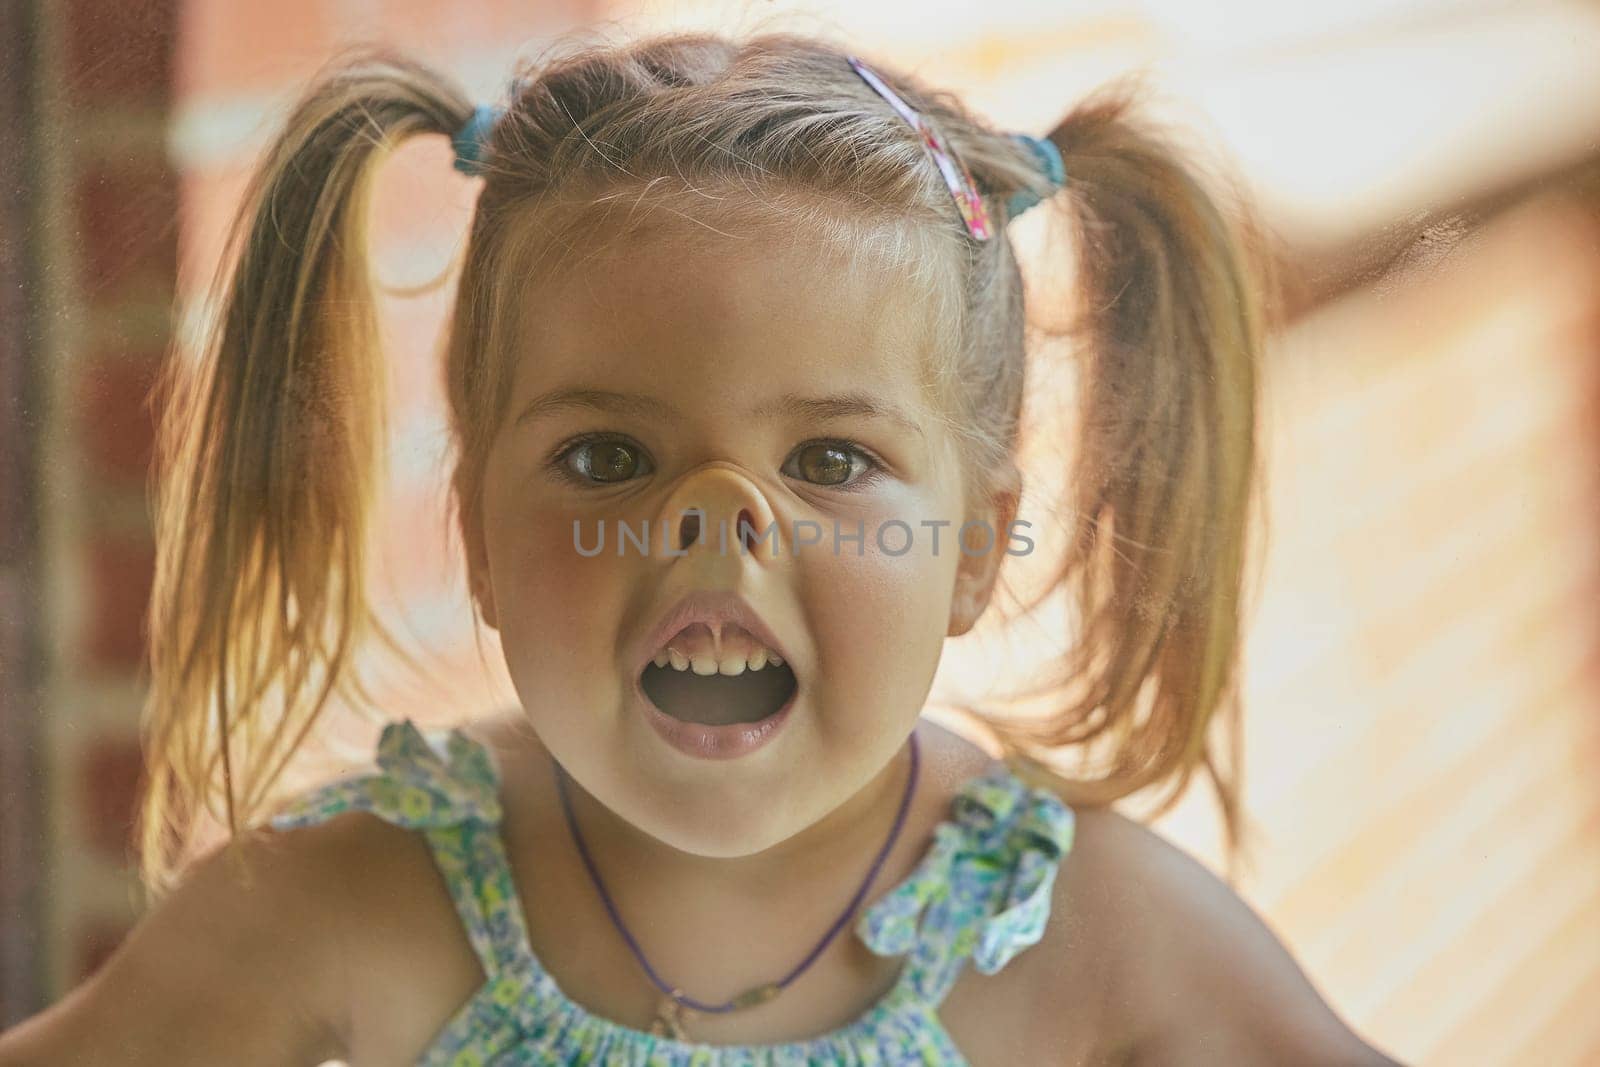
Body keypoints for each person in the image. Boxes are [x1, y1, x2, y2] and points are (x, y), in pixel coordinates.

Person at [0, 29, 1405, 1066]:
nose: (717, 527)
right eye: (609, 458)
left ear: (973, 549)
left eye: (833, 461)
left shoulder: (1085, 936)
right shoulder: (352, 904)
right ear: (479, 530)